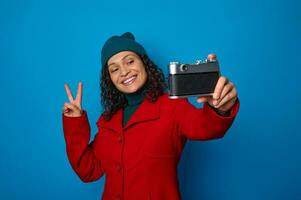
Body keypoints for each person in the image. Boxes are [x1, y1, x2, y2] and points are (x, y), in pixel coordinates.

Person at [62, 32, 239, 200]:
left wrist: (220, 106)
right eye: (114, 69)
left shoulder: (172, 107)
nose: (123, 72)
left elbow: (206, 127)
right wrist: (74, 123)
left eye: (130, 61)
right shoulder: (109, 120)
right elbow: (88, 171)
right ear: (110, 79)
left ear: (144, 63)